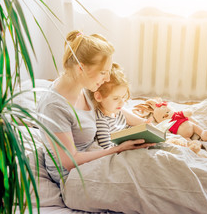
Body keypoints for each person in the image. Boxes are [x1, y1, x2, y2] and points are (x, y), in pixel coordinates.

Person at [37, 30, 155, 186]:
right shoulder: (54, 107)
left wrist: (142, 122)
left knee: (153, 160)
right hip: (72, 177)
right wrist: (117, 149)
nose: (107, 78)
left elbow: (107, 107)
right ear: (81, 68)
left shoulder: (84, 86)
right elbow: (70, 162)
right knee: (148, 176)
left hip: (94, 155)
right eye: (103, 73)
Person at [90, 62, 151, 149]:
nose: (122, 103)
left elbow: (127, 127)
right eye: (116, 98)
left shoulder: (116, 111)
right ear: (99, 97)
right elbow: (107, 147)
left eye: (123, 97)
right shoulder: (102, 121)